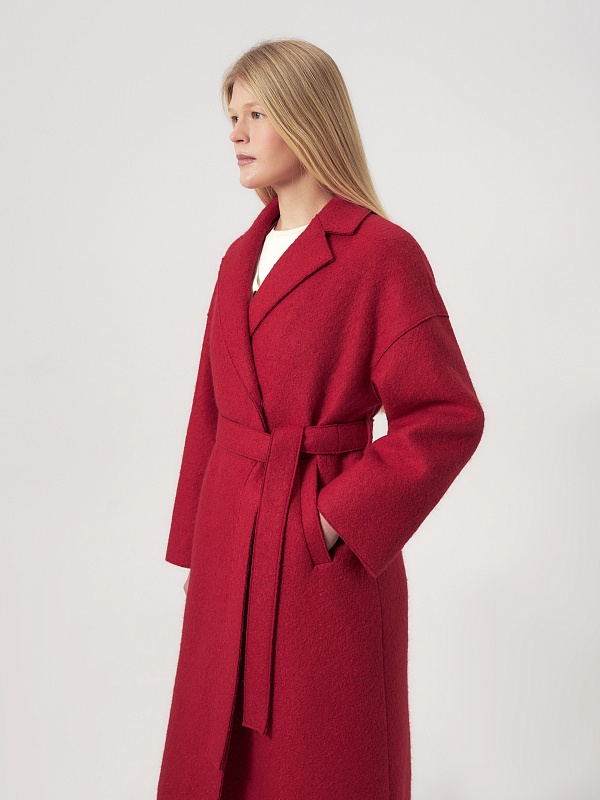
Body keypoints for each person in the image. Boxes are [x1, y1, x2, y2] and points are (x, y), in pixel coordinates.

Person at [157, 39, 484, 800]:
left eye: (256, 113)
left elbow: (445, 415)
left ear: (305, 118)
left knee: (319, 764)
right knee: (214, 765)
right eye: (231, 116)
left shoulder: (382, 255)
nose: (236, 133)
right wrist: (199, 552)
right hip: (230, 547)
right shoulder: (237, 261)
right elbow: (211, 411)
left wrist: (333, 520)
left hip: (318, 563)